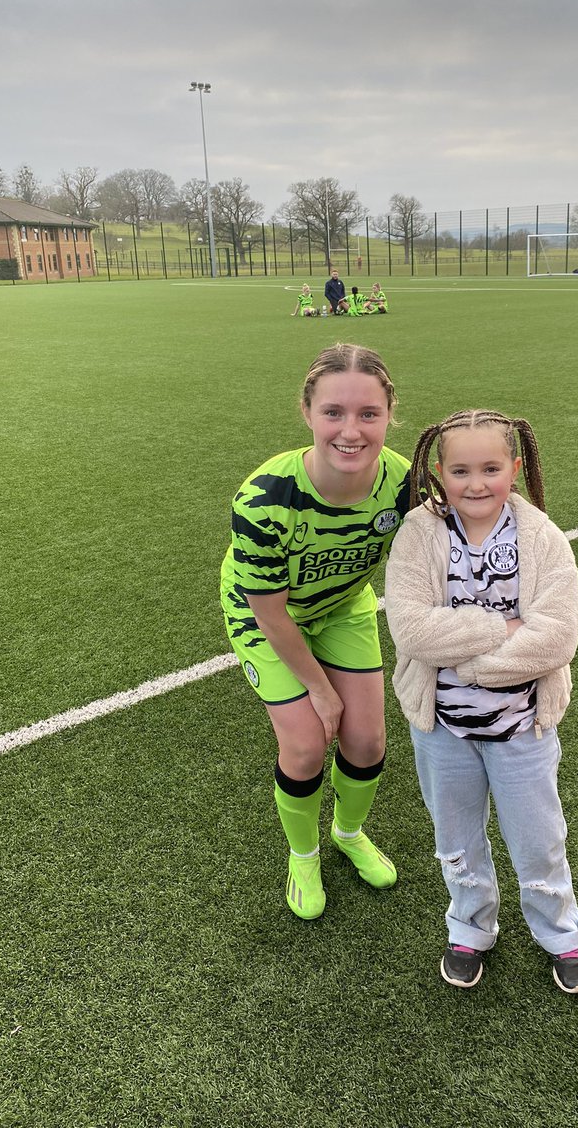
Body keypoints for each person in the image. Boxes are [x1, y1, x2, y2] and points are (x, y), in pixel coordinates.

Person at [384, 409, 578, 994]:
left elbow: (556, 635)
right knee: (454, 837)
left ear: (516, 468)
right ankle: (470, 926)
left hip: (523, 727)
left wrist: (469, 660)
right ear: (438, 472)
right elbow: (411, 629)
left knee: (538, 837)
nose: (476, 483)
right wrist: (502, 629)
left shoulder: (541, 537)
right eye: (461, 470)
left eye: (491, 468)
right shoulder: (419, 534)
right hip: (441, 727)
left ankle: (560, 931)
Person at [220, 344, 410, 920]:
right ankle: (302, 854)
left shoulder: (403, 483)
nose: (350, 431)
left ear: (389, 415)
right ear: (307, 413)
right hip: (268, 617)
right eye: (333, 412)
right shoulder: (264, 499)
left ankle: (347, 833)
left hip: (345, 605)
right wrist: (320, 690)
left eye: (368, 414)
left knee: (367, 742)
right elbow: (271, 612)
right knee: (305, 744)